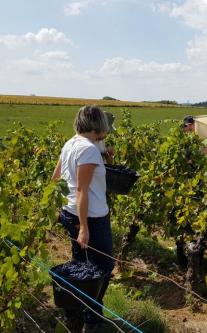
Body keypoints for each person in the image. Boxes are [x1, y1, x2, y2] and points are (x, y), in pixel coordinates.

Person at [52, 105, 115, 333]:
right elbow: (82, 190)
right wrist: (84, 227)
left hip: (70, 213)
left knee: (82, 266)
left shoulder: (71, 144)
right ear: (99, 124)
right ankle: (92, 320)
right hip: (91, 217)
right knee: (103, 267)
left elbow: (55, 178)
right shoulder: (88, 149)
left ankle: (76, 314)